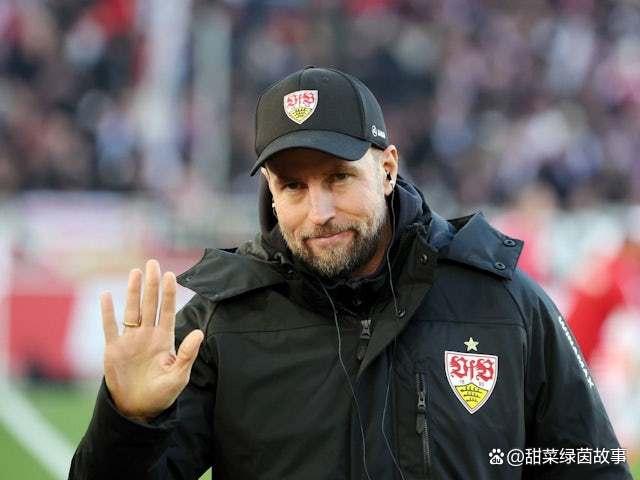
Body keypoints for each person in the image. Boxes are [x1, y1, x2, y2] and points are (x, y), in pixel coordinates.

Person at [69, 67, 631, 479]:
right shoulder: (218, 323)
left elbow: (588, 465)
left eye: (338, 178)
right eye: (293, 186)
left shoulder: (504, 305)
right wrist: (129, 422)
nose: (319, 212)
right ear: (270, 191)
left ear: (387, 169)